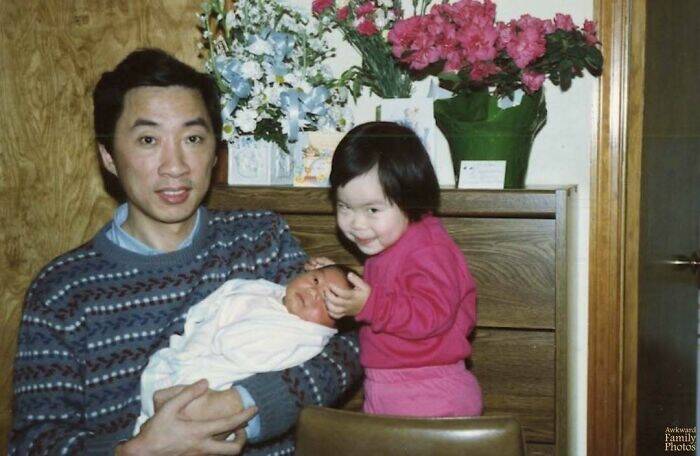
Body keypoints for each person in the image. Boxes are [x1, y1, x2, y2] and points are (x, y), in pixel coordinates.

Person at [9, 48, 362, 456]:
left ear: (215, 152)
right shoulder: (63, 290)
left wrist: (242, 405)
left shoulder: (259, 240)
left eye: (192, 139)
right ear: (108, 156)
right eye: (148, 140)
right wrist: (135, 451)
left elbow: (352, 346)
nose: (174, 165)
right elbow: (34, 441)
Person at [322, 121, 482, 417]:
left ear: (410, 199)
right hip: (389, 385)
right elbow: (393, 293)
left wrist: (369, 305)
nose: (356, 223)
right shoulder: (387, 243)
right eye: (344, 207)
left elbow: (430, 314)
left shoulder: (428, 248)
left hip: (428, 388)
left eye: (372, 210)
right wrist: (334, 276)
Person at [134, 265, 354, 434]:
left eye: (327, 300)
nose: (314, 292)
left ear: (333, 326)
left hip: (212, 386)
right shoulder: (268, 292)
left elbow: (233, 345)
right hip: (186, 358)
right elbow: (224, 298)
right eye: (315, 280)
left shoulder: (302, 336)